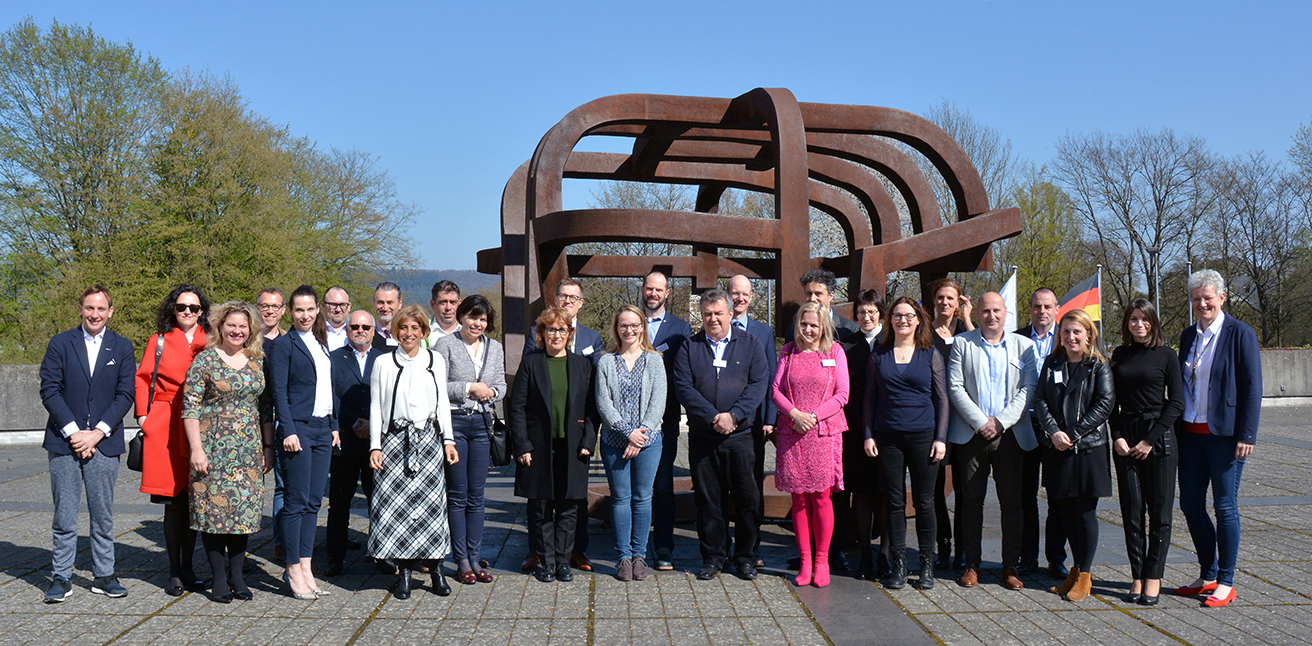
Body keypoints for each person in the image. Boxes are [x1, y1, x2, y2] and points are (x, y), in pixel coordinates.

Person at [39, 285, 136, 604]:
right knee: (64, 515)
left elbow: (126, 395)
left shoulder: (121, 347)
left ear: (110, 311)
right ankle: (61, 576)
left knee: (103, 514)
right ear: (80, 309)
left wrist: (96, 433)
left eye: (101, 309)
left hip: (104, 443)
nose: (95, 314)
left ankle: (104, 575)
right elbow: (50, 389)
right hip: (64, 442)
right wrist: (74, 432)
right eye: (89, 308)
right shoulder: (60, 343)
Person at [1173, 269, 1261, 608]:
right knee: (1190, 505)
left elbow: (1253, 387)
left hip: (1225, 435)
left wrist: (1247, 433)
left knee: (1225, 507)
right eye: (1196, 299)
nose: (1202, 304)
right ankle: (1207, 573)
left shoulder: (1240, 333)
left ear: (1222, 298)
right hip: (1191, 434)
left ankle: (1226, 580)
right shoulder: (1187, 335)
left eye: (1208, 297)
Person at [672, 289, 770, 581]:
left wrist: (734, 416)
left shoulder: (751, 344)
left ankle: (746, 557)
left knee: (747, 498)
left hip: (742, 436)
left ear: (730, 314)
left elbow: (758, 384)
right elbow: (684, 388)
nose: (712, 319)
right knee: (708, 499)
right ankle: (713, 556)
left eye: (718, 313)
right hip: (705, 435)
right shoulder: (690, 347)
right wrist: (713, 417)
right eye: (707, 314)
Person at [947, 292, 1037, 591]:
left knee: (1012, 503)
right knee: (970, 502)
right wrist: (980, 422)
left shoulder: (1024, 347)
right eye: (985, 311)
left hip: (1010, 435)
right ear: (978, 313)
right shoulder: (962, 343)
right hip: (972, 435)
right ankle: (972, 564)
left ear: (1005, 312)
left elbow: (1029, 389)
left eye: (996, 310)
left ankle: (1009, 565)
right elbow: (955, 386)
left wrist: (1000, 422)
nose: (991, 316)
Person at [181, 302, 271, 603]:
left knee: (242, 514)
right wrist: (196, 449)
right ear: (220, 327)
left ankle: (237, 577)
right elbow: (190, 407)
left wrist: (267, 448)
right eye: (231, 325)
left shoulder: (258, 361)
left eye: (243, 326)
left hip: (247, 451)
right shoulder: (204, 361)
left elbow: (265, 409)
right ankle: (219, 580)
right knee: (213, 515)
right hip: (212, 450)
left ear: (251, 330)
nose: (237, 331)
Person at [369, 305, 459, 598]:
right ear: (396, 331)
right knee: (399, 511)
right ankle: (404, 572)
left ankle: (436, 570)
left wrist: (449, 439)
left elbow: (443, 402)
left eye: (415, 329)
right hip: (394, 440)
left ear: (423, 332)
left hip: (428, 439)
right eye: (404, 328)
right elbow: (375, 407)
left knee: (432, 509)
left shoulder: (435, 359)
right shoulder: (383, 362)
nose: (409, 334)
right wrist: (375, 445)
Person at [520, 278, 603, 573]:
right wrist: (523, 443)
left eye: (573, 297)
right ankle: (542, 556)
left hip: (574, 439)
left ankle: (571, 555)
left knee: (571, 503)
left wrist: (587, 440)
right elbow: (520, 400)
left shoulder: (590, 346)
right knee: (541, 503)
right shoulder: (533, 353)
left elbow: (593, 401)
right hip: (540, 440)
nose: (557, 333)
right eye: (563, 296)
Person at [865, 297, 948, 590]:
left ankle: (926, 565)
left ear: (918, 319)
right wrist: (868, 433)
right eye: (897, 316)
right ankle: (898, 565)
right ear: (890, 320)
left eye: (908, 316)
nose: (902, 321)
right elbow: (870, 398)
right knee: (894, 501)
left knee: (925, 503)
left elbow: (941, 399)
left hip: (923, 437)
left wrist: (940, 437)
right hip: (887, 438)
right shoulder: (879, 353)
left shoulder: (930, 353)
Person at [1032, 309, 1115, 602]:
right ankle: (1074, 570)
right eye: (1065, 332)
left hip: (1087, 449)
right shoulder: (1052, 362)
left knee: (1084, 514)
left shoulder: (1098, 366)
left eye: (1077, 331)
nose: (1071, 337)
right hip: (1058, 449)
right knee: (1064, 512)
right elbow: (1040, 399)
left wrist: (1073, 433)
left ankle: (1085, 573)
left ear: (1088, 334)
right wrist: (1054, 432)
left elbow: (1104, 404)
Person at [135, 285, 211, 596]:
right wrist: (144, 417)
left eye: (194, 308)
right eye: (182, 307)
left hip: (200, 424)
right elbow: (142, 378)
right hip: (166, 422)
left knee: (193, 500)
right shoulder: (160, 341)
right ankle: (174, 571)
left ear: (202, 311)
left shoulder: (212, 340)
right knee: (173, 501)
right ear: (173, 309)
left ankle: (190, 567)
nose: (188, 313)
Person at [1110, 299, 1184, 606]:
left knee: (1160, 513)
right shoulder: (1119, 355)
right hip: (1126, 440)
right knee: (1132, 512)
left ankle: (1154, 576)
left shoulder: (1167, 355)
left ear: (1153, 322)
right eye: (1133, 319)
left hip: (1158, 439)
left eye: (1144, 319)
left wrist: (1150, 440)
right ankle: (1137, 575)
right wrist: (1116, 436)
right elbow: (1109, 401)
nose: (1138, 324)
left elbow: (1177, 403)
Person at [269, 285, 340, 599]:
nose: (306, 315)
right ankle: (292, 568)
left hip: (323, 429)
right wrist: (288, 429)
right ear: (291, 312)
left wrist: (334, 426)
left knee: (313, 503)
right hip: (298, 429)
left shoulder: (321, 343)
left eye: (311, 309)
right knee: (295, 504)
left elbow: (329, 389)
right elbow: (279, 393)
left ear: (318, 310)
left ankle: (307, 566)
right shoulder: (285, 346)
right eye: (299, 310)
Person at [772, 302, 849, 588]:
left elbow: (843, 394)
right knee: (799, 500)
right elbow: (775, 390)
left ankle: (822, 560)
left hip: (823, 433)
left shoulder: (835, 352)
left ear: (823, 327)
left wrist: (814, 417)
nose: (808, 330)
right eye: (804, 324)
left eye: (814, 325)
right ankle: (804, 561)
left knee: (821, 498)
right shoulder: (788, 352)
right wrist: (794, 414)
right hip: (792, 432)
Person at [433, 294, 506, 585]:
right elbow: (438, 385)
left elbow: (500, 383)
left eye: (483, 319)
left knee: (477, 496)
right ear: (461, 317)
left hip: (482, 425)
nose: (477, 323)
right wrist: (468, 388)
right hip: (455, 424)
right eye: (473, 317)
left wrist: (491, 392)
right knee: (457, 494)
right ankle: (460, 558)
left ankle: (476, 557)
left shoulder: (495, 348)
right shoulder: (446, 345)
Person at [596, 305, 666, 581]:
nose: (630, 330)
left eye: (635, 325)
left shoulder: (655, 360)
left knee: (642, 498)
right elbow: (603, 403)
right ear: (616, 328)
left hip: (648, 442)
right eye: (624, 325)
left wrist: (641, 434)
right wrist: (628, 433)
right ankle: (623, 557)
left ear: (642, 327)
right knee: (620, 499)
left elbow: (658, 402)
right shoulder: (605, 362)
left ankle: (640, 555)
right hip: (615, 442)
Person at [324, 310, 388, 577]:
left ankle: (383, 554)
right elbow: (331, 397)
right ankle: (335, 558)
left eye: (365, 326)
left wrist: (374, 424)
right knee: (339, 503)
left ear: (374, 330)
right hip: (346, 441)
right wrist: (352, 423)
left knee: (381, 501)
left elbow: (390, 397)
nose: (360, 330)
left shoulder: (385, 359)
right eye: (354, 326)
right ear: (346, 330)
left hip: (377, 442)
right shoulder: (333, 359)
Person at [642, 271, 692, 571]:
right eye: (649, 288)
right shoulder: (630, 320)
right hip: (630, 419)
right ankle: (630, 546)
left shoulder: (680, 329)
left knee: (662, 486)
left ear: (667, 293)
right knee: (635, 488)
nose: (653, 293)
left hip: (666, 418)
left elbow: (683, 371)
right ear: (643, 290)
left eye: (659, 290)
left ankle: (663, 546)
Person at [1018, 287, 1069, 578]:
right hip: (1024, 423)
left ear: (1057, 309)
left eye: (1048, 306)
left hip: (1055, 428)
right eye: (1037, 306)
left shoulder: (1068, 337)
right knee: (1026, 495)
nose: (1042, 311)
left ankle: (1056, 558)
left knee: (1057, 495)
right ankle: (1027, 556)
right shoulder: (1017, 338)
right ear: (1030, 309)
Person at [728, 274, 778, 569]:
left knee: (751, 488)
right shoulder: (715, 326)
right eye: (735, 292)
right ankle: (722, 546)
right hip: (720, 422)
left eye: (745, 293)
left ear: (752, 297)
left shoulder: (763, 332)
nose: (740, 298)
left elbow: (771, 378)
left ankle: (751, 546)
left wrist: (770, 419)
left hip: (755, 423)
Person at [840, 289, 888, 580]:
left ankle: (884, 554)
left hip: (887, 431)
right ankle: (865, 556)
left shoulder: (892, 342)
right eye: (861, 312)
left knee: (885, 492)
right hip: (856, 431)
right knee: (861, 492)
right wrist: (862, 424)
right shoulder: (846, 346)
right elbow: (845, 390)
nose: (866, 317)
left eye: (871, 312)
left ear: (880, 313)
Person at [928, 277, 972, 570]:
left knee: (967, 490)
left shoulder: (968, 334)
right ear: (934, 300)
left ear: (959, 303)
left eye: (951, 298)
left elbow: (981, 350)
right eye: (941, 297)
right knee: (934, 491)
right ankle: (943, 545)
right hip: (934, 421)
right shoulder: (924, 333)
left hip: (965, 421)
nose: (945, 303)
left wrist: (968, 319)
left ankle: (965, 549)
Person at [784, 269, 859, 343]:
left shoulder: (850, 329)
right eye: (809, 294)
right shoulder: (793, 331)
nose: (812, 299)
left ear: (831, 295)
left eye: (818, 294)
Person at [422, 280, 462, 348]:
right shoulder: (421, 332)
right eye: (443, 302)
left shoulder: (471, 331)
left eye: (453, 302)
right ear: (433, 304)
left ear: (459, 304)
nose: (448, 308)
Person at [372, 282, 403, 348]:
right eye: (380, 302)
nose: (385, 308)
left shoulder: (408, 336)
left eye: (390, 303)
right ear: (374, 303)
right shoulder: (367, 336)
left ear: (400, 303)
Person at [323, 287, 351, 351]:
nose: (338, 309)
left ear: (349, 307)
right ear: (323, 306)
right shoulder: (312, 331)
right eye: (333, 305)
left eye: (343, 305)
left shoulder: (357, 332)